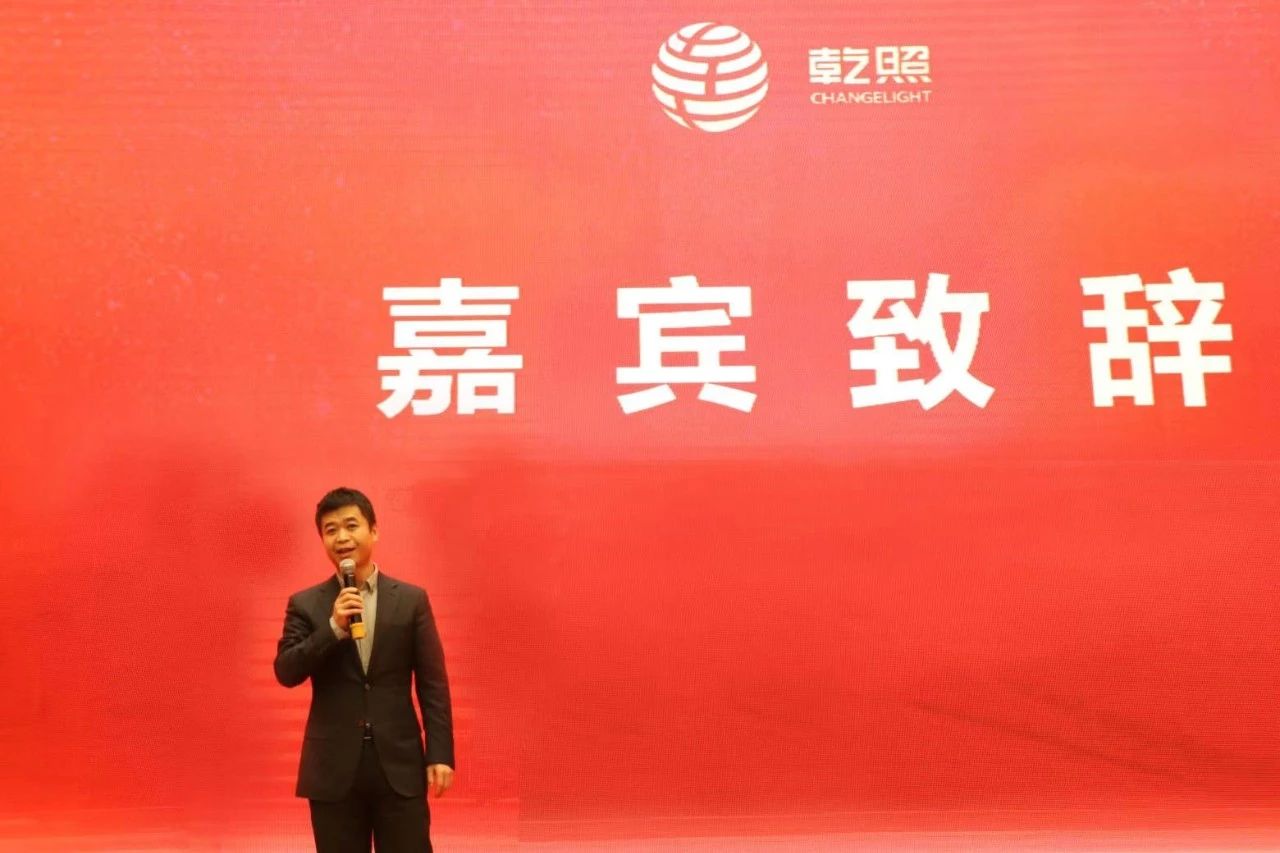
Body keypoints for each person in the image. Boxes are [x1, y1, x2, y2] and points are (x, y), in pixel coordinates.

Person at [274, 486, 454, 852]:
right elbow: (286, 670)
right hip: (333, 770)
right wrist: (333, 629)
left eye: (351, 525)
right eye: (331, 530)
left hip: (399, 766)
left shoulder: (411, 600)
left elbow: (432, 683)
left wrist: (440, 753)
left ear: (374, 531)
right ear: (323, 540)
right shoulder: (306, 605)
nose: (342, 537)